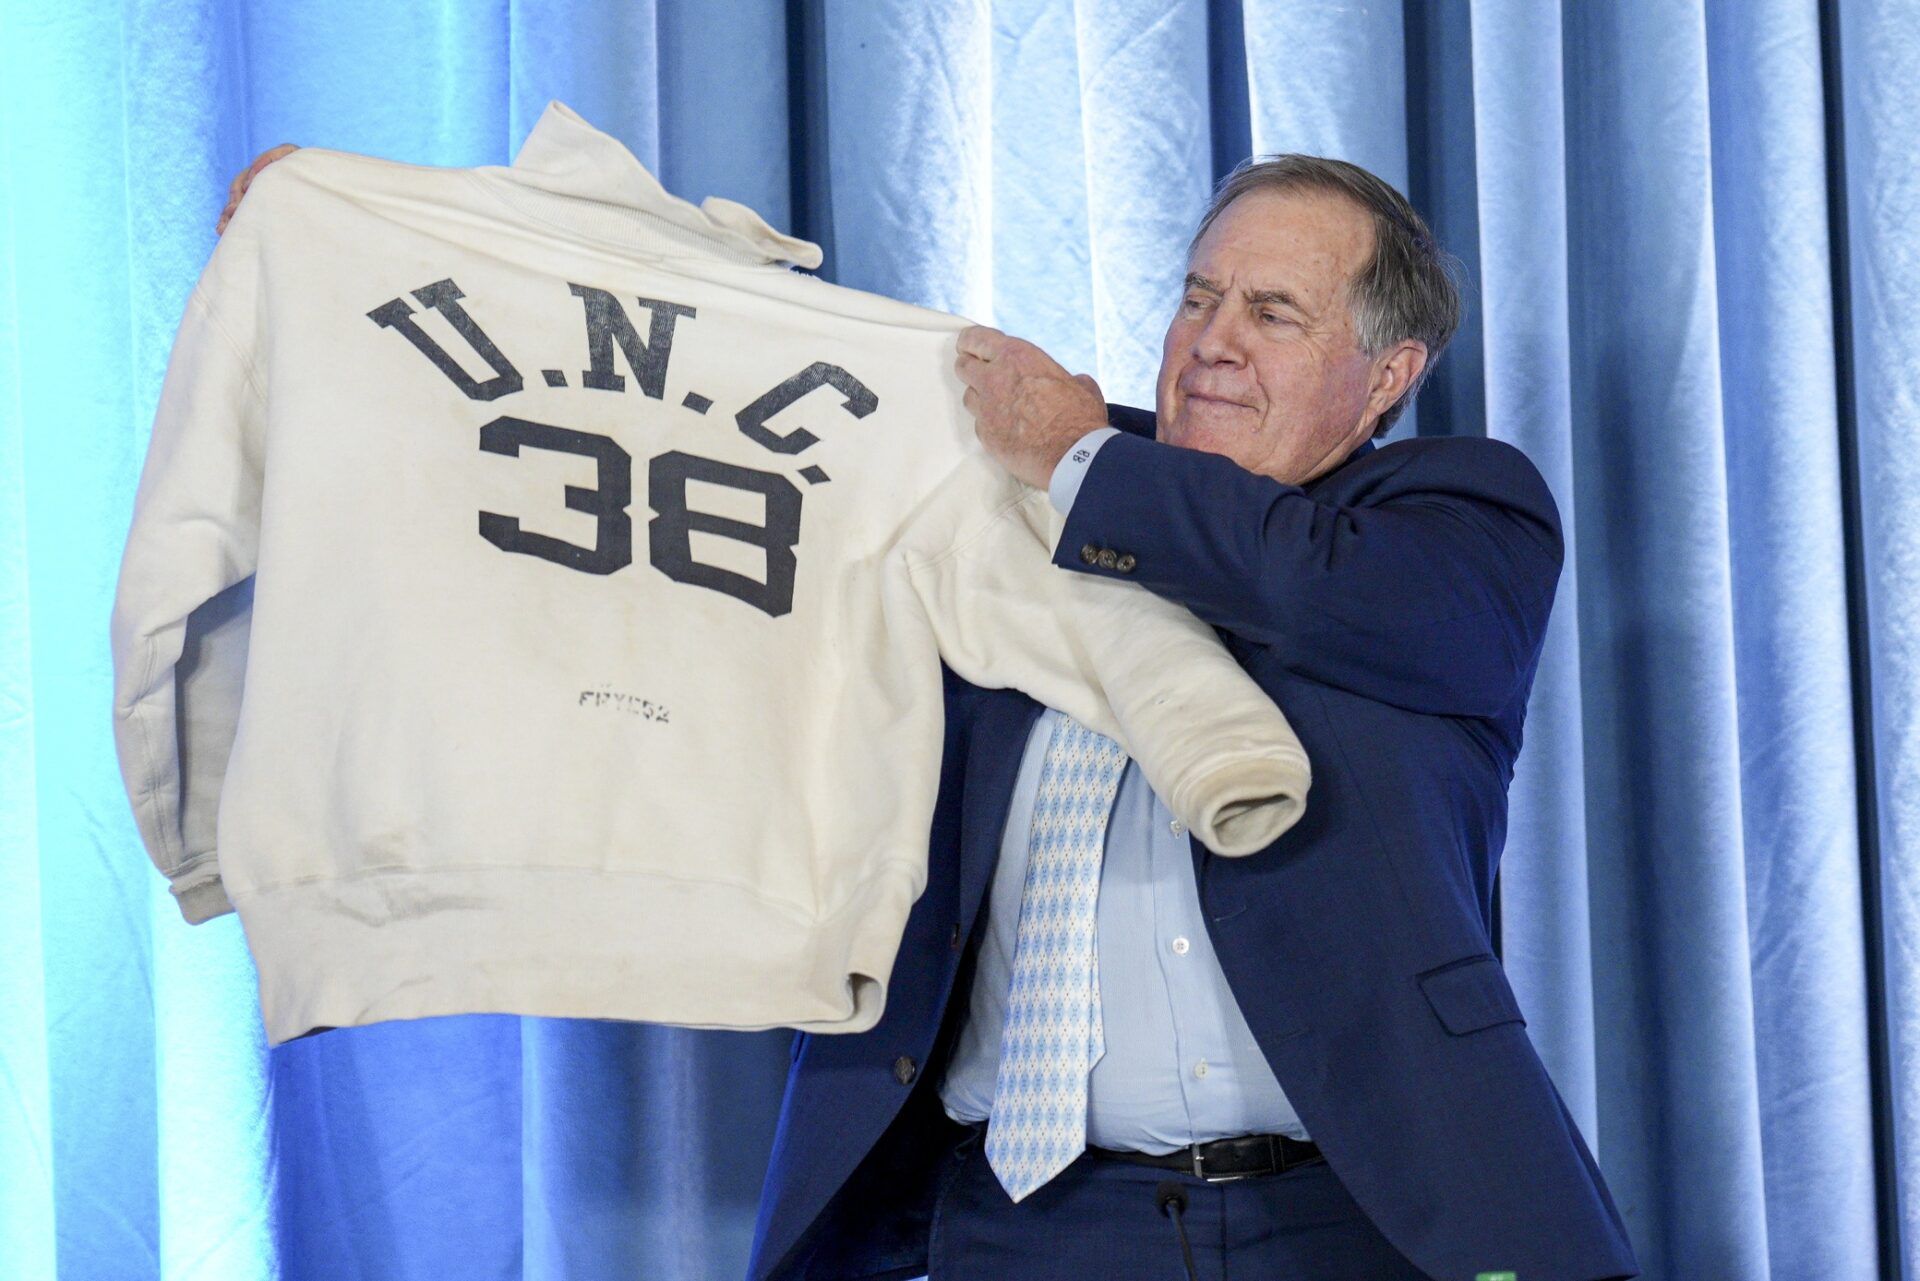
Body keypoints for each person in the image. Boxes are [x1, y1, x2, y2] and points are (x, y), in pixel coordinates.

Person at [220, 147, 1638, 1281]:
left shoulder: (1453, 519)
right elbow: (707, 384)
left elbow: (1303, 580)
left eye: (1273, 311)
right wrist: (373, 244)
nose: (1211, 340)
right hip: (1016, 1222)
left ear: (1385, 373)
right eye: (1198, 296)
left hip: (1352, 1221)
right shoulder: (995, 499)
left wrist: (1077, 450)